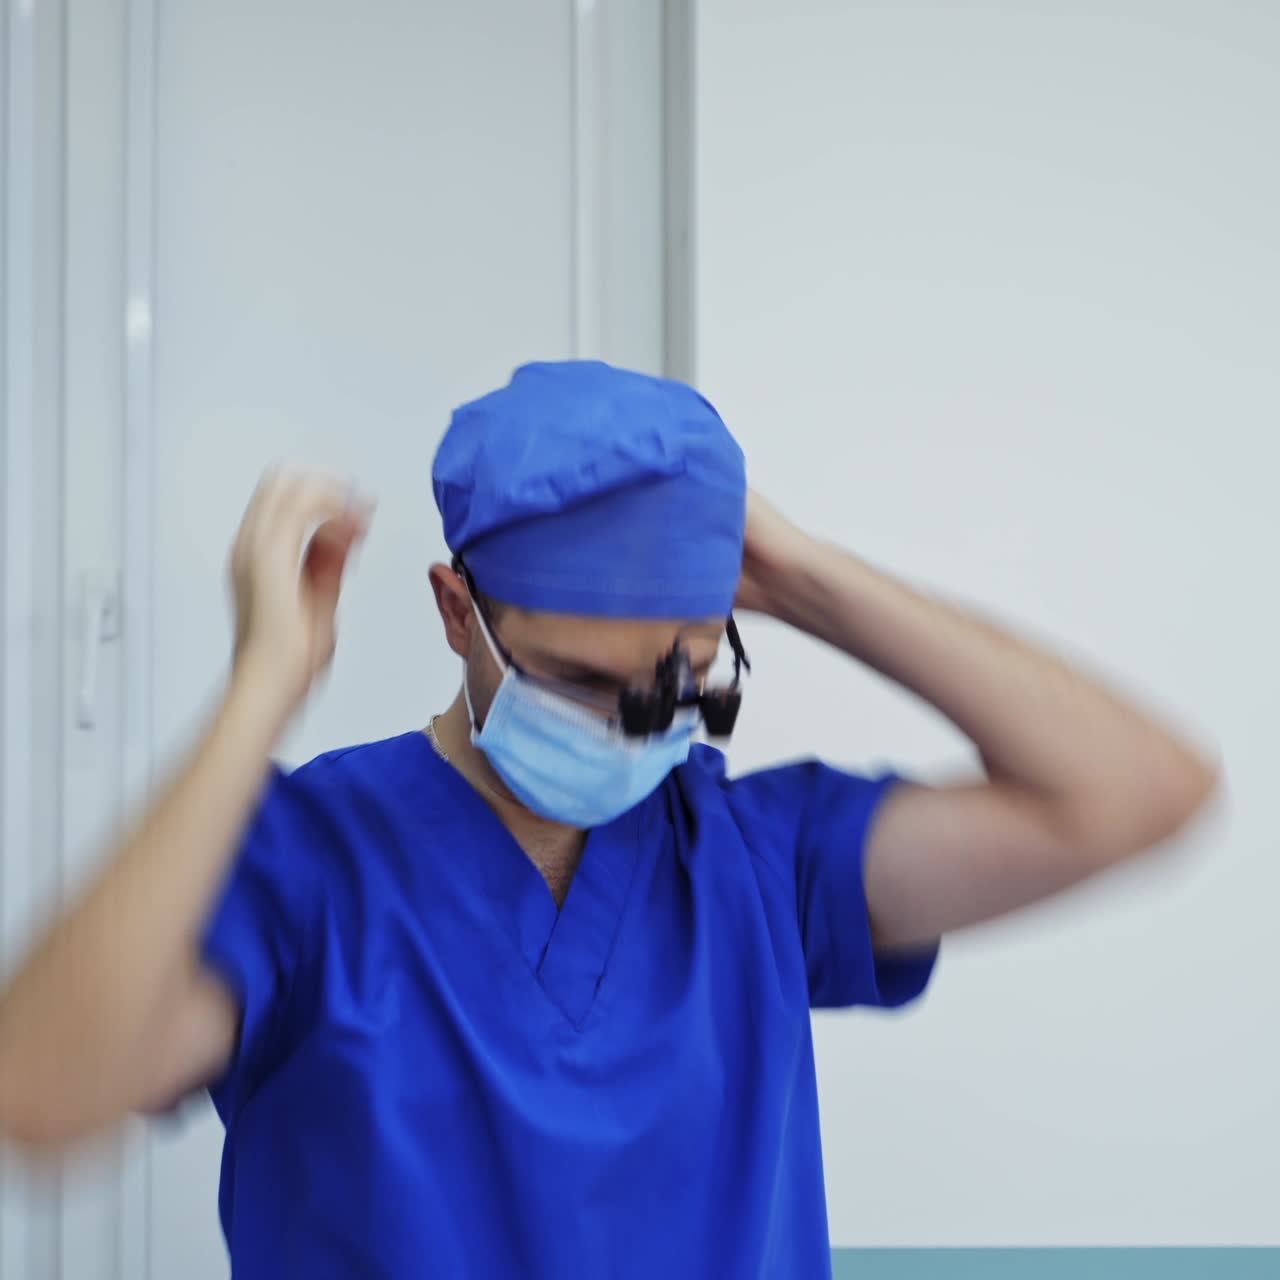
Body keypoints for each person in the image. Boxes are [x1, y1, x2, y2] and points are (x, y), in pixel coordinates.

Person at [0, 361, 1217, 1278]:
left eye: (682, 678)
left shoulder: (759, 860)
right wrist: (262, 681)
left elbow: (1135, 792)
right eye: (582, 680)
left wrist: (804, 576)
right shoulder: (309, 865)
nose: (639, 726)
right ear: (455, 612)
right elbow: (41, 1087)